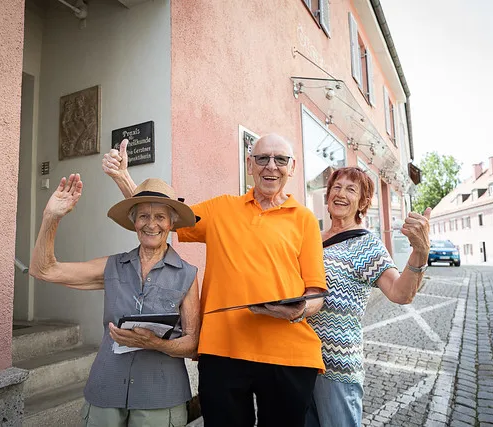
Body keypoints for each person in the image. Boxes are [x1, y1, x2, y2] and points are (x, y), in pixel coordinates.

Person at [103, 135, 327, 427]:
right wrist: (124, 179)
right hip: (223, 350)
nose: (271, 166)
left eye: (280, 159)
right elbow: (161, 217)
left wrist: (299, 310)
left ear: (292, 167)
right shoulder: (222, 208)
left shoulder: (305, 219)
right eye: (262, 158)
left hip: (288, 354)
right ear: (250, 164)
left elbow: (316, 293)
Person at [29, 173, 201, 427]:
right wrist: (51, 217)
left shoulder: (187, 274)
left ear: (171, 224)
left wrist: (154, 343)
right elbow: (43, 270)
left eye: (160, 217)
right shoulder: (113, 266)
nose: (150, 224)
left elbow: (193, 344)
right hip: (106, 389)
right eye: (143, 216)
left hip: (160, 396)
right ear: (134, 222)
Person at [305, 167, 431, 427]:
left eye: (351, 189)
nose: (341, 194)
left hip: (336, 366)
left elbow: (400, 293)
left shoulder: (366, 245)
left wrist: (420, 251)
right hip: (300, 361)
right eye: (336, 188)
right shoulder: (311, 239)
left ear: (362, 202)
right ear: (328, 196)